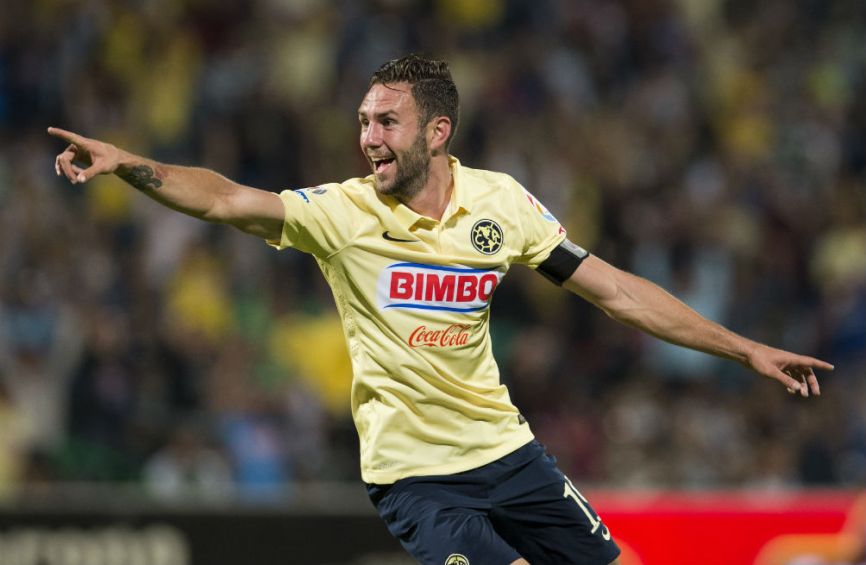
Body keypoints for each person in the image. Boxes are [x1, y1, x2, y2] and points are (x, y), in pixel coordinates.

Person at [49, 54, 833, 565]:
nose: (367, 138)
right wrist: (129, 165)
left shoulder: (501, 205)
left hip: (508, 452)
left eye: (384, 122)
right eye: (362, 121)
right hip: (418, 477)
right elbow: (223, 197)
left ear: (437, 130)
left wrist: (744, 349)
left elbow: (618, 290)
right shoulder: (341, 215)